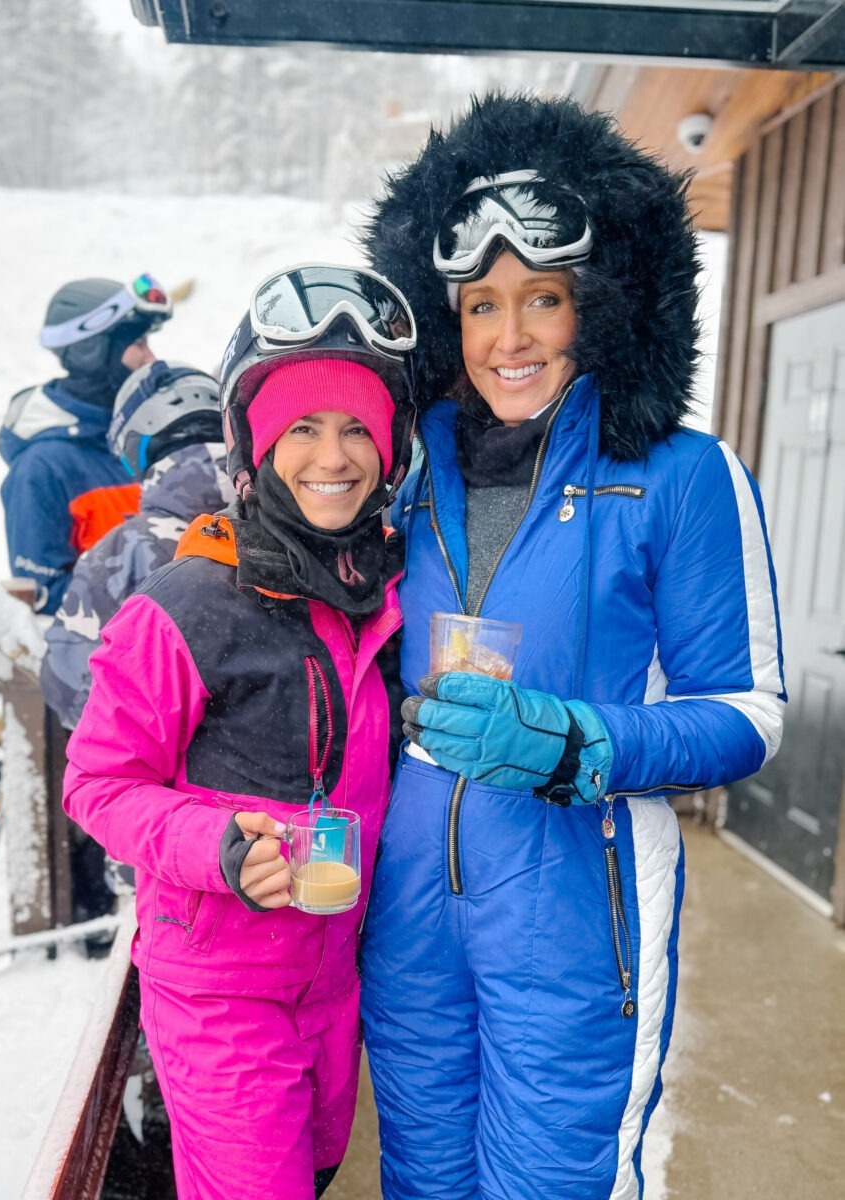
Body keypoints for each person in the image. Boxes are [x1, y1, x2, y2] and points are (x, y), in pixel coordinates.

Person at [357, 93, 786, 1200]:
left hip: (573, 907)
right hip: (409, 915)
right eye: (481, 305)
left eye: (542, 300)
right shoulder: (408, 475)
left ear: (599, 305)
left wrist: (570, 743)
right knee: (423, 1177)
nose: (509, 339)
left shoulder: (680, 474)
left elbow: (747, 716)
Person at [63, 263, 417, 1200]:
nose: (332, 455)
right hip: (219, 991)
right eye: (301, 426)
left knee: (319, 1169)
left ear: (392, 447)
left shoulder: (376, 597)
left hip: (333, 976)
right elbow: (96, 782)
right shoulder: (184, 606)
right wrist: (215, 846)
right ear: (252, 446)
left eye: (356, 428)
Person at [41, 359, 236, 731]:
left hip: (155, 773)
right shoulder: (287, 520)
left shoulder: (122, 550)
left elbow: (66, 683)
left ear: (137, 447)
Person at [0, 273, 172, 614]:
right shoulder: (43, 467)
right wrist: (157, 612)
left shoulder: (147, 435)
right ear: (93, 351)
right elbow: (48, 598)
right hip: (121, 657)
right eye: (138, 343)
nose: (150, 357)